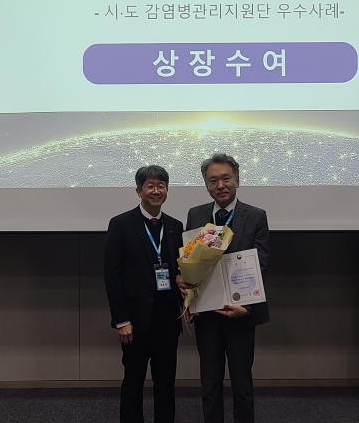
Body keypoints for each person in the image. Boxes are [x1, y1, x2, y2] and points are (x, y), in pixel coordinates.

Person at [182, 153, 270, 423]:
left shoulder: (255, 216)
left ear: (237, 181)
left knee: (242, 385)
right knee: (209, 385)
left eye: (226, 178)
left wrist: (248, 307)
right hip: (207, 315)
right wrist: (189, 296)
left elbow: (261, 265)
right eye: (213, 180)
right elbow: (189, 262)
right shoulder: (196, 215)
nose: (220, 185)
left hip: (240, 313)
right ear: (206, 185)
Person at [104, 165, 185, 423]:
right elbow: (112, 276)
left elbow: (180, 270)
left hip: (168, 320)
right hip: (135, 322)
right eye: (150, 186)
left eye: (161, 186)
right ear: (139, 191)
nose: (156, 191)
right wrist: (121, 320)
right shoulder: (120, 224)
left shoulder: (175, 226)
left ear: (167, 191)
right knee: (133, 383)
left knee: (166, 384)